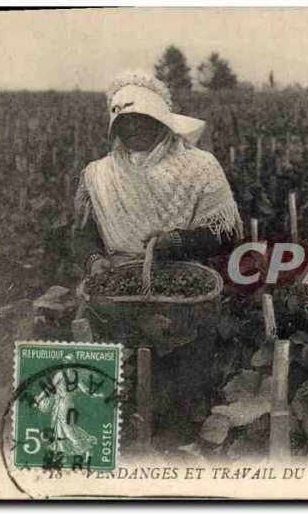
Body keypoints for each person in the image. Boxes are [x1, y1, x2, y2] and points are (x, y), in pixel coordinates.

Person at [72, 71, 244, 439]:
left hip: (182, 288)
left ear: (161, 120)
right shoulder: (98, 175)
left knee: (178, 394)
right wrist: (94, 262)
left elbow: (224, 231)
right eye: (124, 121)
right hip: (118, 287)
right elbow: (82, 236)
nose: (132, 128)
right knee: (114, 387)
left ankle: (177, 437)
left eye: (141, 118)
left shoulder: (200, 166)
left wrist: (179, 242)